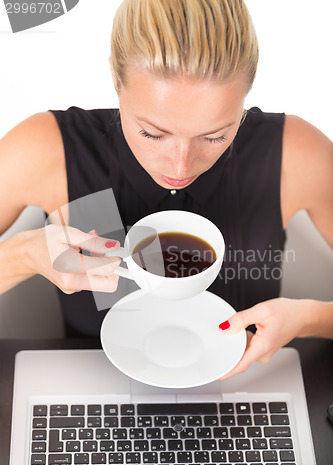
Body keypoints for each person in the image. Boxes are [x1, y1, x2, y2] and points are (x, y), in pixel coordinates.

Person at [0, 0, 332, 378]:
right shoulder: (47, 150)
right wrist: (24, 255)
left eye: (215, 136)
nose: (180, 167)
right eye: (152, 133)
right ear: (115, 80)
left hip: (245, 393)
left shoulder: (296, 153)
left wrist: (310, 318)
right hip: (95, 400)